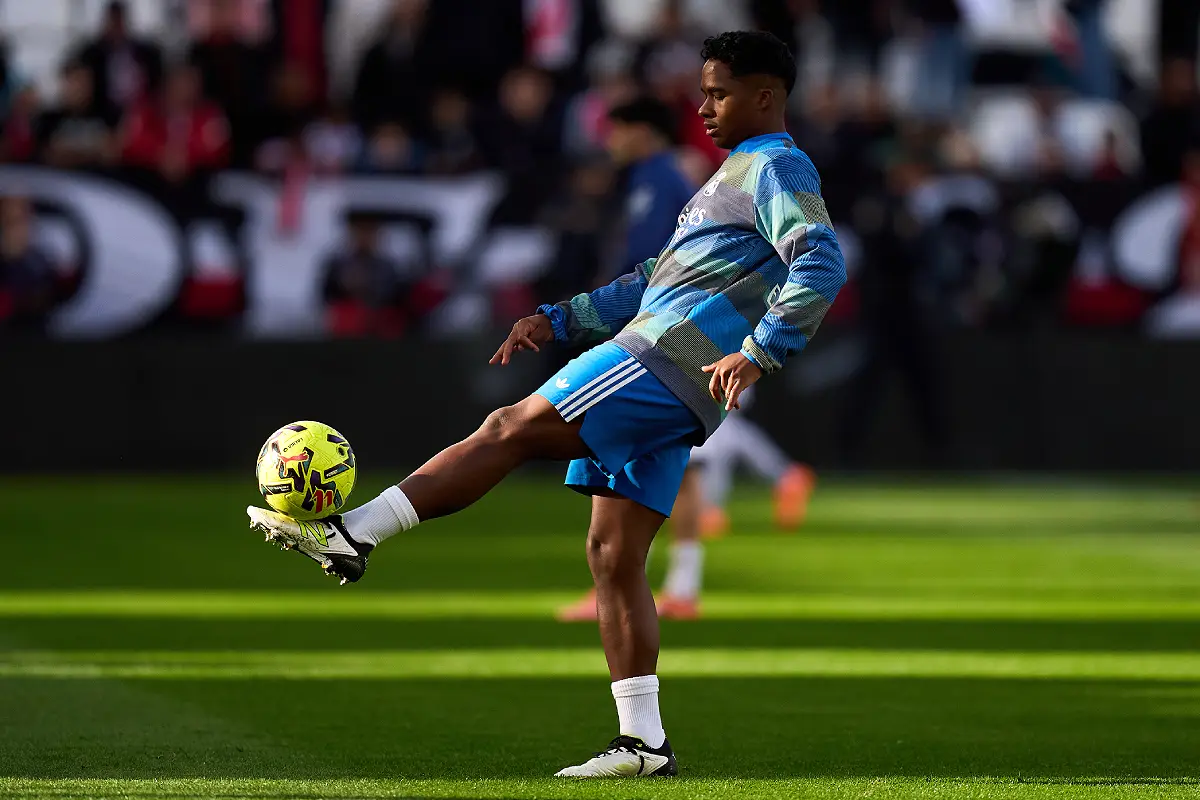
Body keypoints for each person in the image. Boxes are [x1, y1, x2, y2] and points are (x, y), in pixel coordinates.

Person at [247, 30, 845, 778]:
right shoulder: (734, 174)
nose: (703, 106)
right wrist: (558, 319)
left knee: (509, 427)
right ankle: (643, 743)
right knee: (612, 556)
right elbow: (654, 278)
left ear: (765, 95)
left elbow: (821, 257)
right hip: (676, 378)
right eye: (703, 90)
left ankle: (353, 534)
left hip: (659, 362)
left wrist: (759, 352)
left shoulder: (777, 166)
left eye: (719, 92)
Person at [555, 96, 812, 623]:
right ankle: (666, 584)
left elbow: (666, 262)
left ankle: (642, 585)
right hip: (681, 330)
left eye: (617, 128)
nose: (610, 142)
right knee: (684, 465)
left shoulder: (672, 180)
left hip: (681, 333)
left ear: (641, 131)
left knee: (660, 455)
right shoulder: (681, 179)